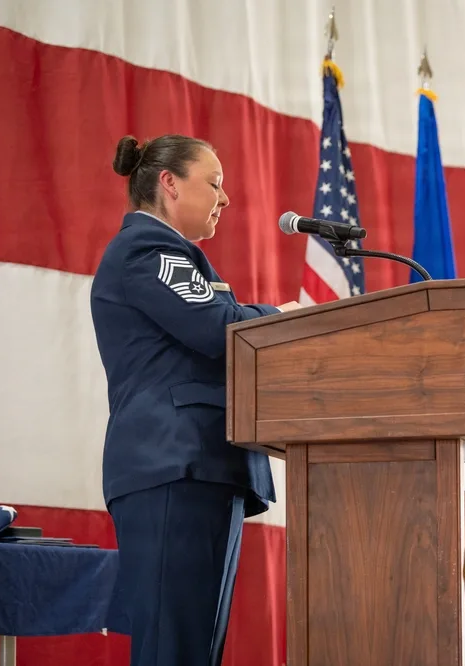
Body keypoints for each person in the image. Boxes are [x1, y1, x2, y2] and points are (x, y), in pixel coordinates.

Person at [90, 134, 299, 666]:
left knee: (192, 652)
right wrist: (282, 319)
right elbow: (218, 329)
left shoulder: (168, 253)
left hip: (197, 466)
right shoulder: (148, 248)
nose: (224, 198)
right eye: (214, 183)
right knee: (174, 650)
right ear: (170, 183)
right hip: (174, 464)